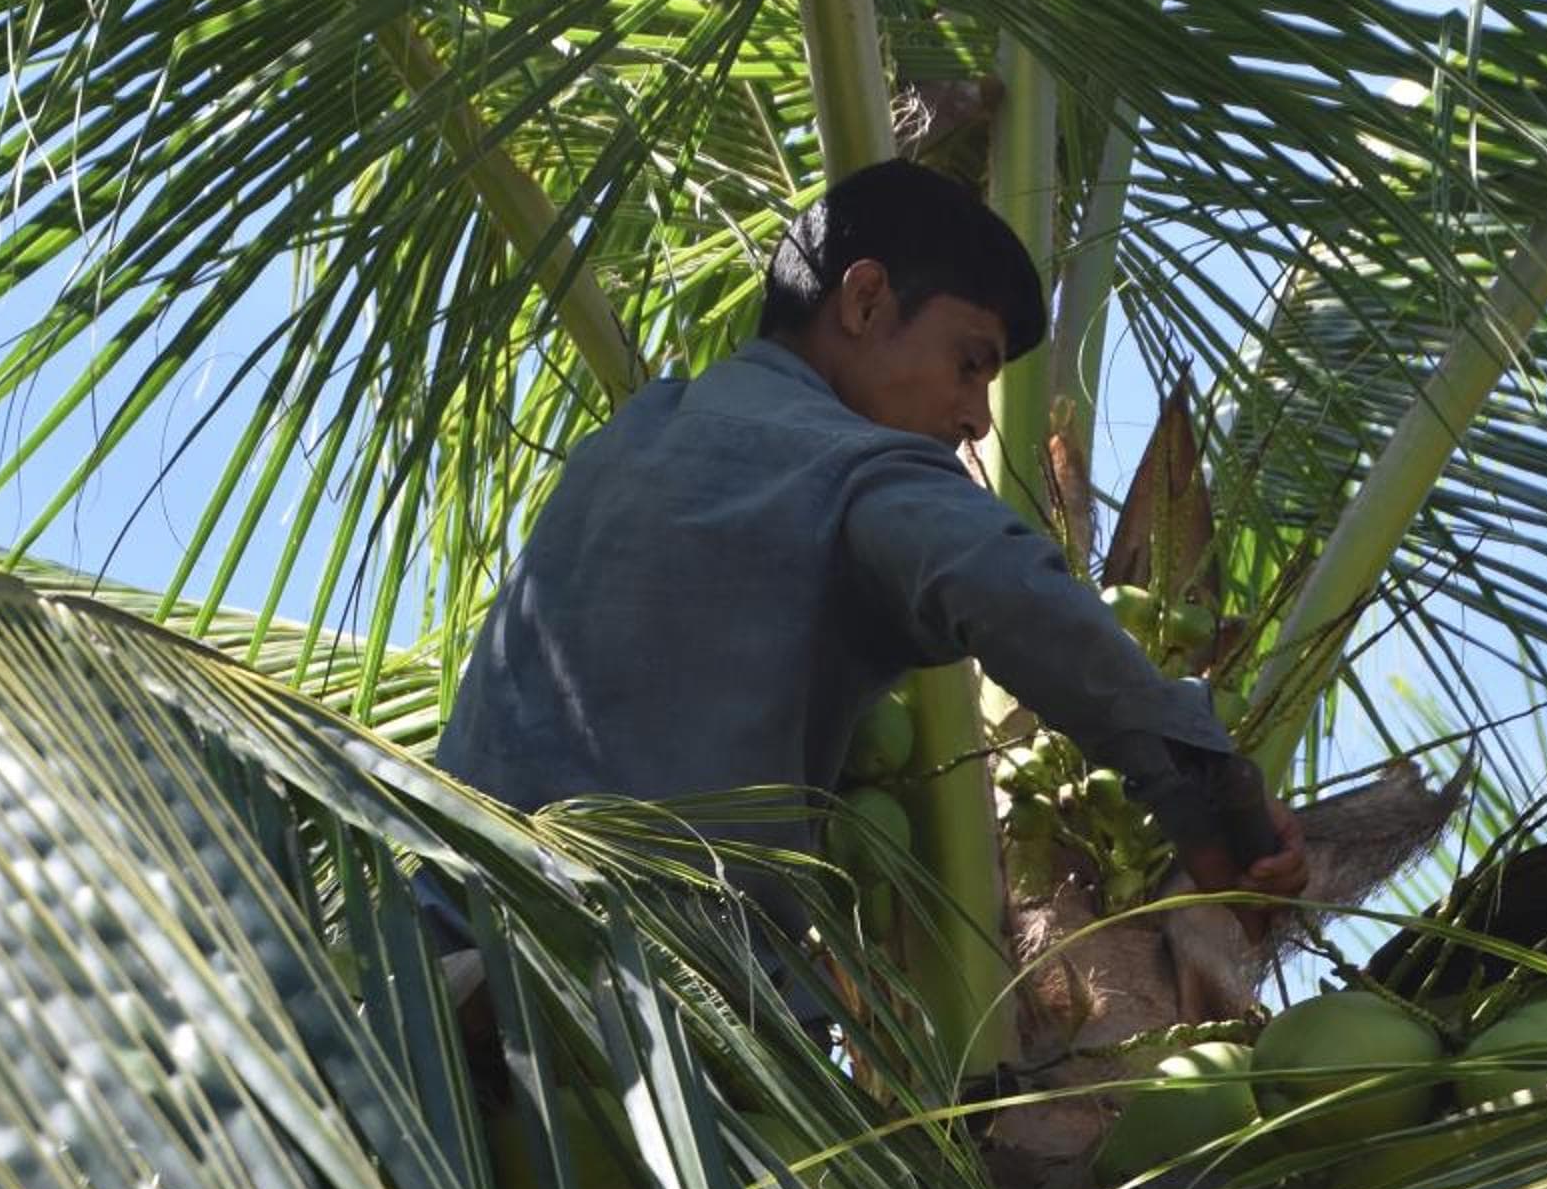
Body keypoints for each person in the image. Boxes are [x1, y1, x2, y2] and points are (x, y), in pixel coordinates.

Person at [435, 160, 1305, 1006]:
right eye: (970, 363)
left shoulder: (636, 435)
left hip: (428, 969)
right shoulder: (847, 462)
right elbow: (1002, 585)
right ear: (863, 299)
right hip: (624, 1003)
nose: (974, 416)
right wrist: (1195, 779)